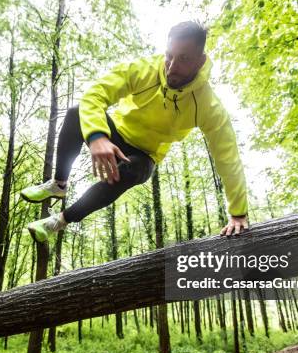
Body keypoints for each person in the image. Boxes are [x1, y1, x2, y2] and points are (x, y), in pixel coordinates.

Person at [21, 21, 249, 243]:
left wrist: (238, 212)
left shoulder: (208, 106)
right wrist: (97, 136)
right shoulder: (145, 69)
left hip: (146, 153)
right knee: (76, 113)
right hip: (116, 133)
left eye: (184, 59)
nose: (171, 66)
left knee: (135, 169)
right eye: (169, 55)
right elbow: (96, 93)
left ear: (200, 62)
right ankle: (58, 184)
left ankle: (59, 221)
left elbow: (227, 160)